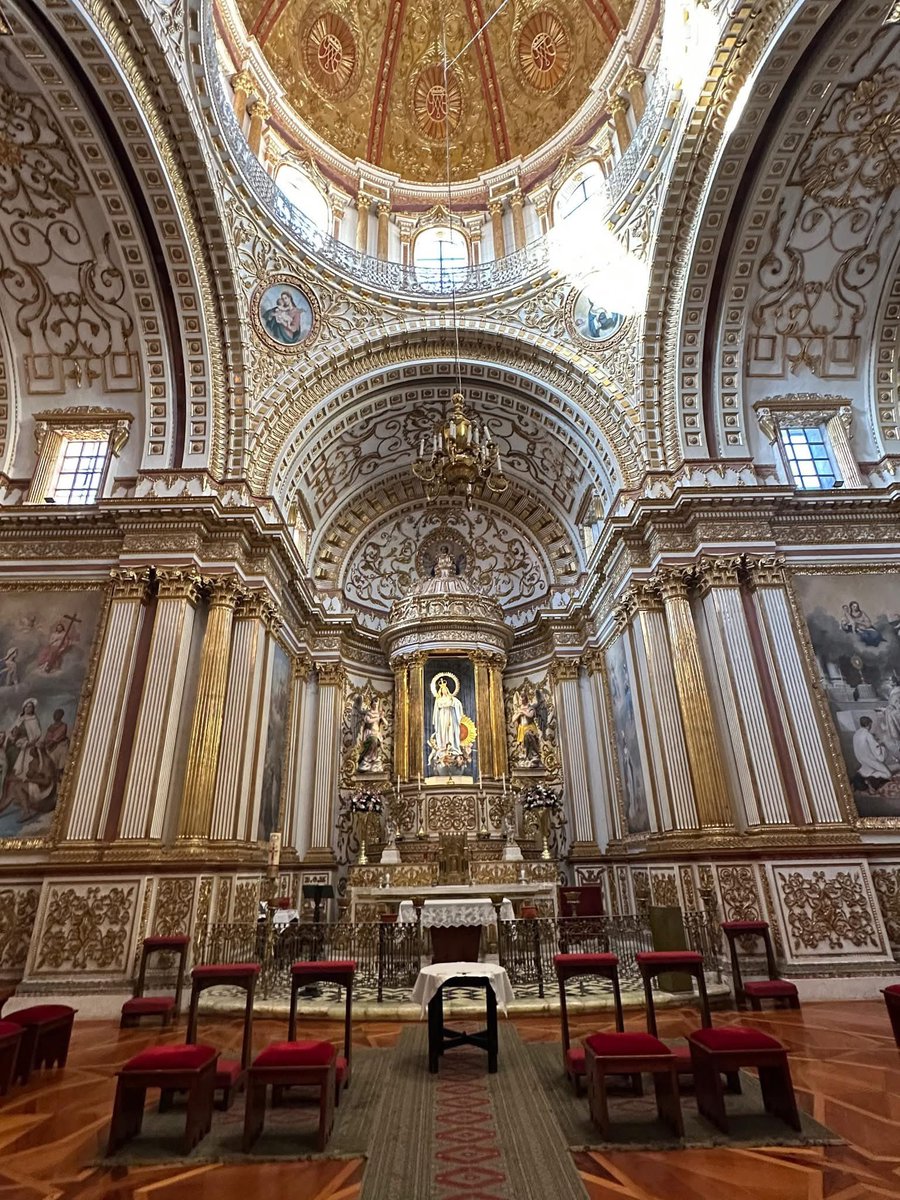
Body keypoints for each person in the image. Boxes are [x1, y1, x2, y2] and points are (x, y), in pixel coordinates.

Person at [852, 716, 892, 792]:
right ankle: (870, 779)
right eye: (871, 724)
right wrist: (882, 746)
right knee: (888, 774)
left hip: (861, 760)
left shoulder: (856, 734)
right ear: (869, 724)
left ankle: (859, 778)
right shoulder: (868, 735)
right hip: (871, 760)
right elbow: (877, 753)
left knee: (866, 770)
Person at [432, 676, 462, 754]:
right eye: (442, 690)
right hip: (442, 717)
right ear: (440, 691)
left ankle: (452, 746)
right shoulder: (438, 700)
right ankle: (443, 747)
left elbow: (458, 704)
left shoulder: (452, 699)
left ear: (447, 690)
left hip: (450, 715)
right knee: (443, 730)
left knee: (451, 730)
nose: (444, 691)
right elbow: (436, 711)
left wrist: (453, 703)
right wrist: (435, 720)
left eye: (445, 689)